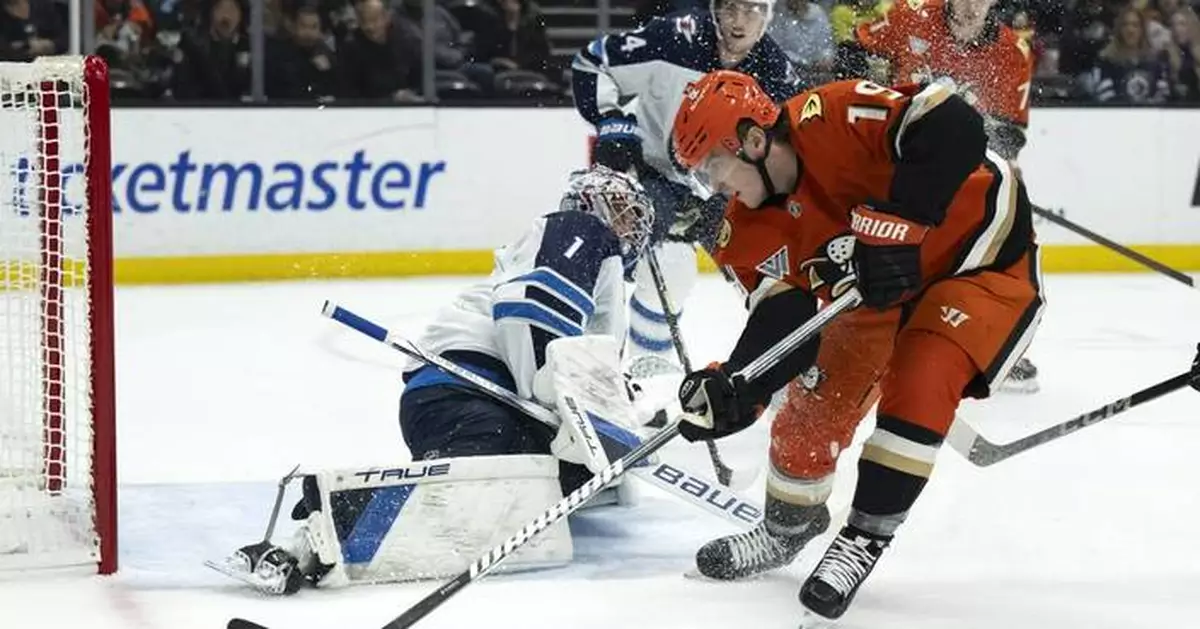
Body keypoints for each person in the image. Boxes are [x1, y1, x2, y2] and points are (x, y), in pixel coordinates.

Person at [670, 70, 1042, 622]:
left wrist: (902, 224)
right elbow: (785, 328)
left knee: (920, 381)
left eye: (712, 168)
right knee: (809, 409)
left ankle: (863, 538)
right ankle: (787, 528)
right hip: (877, 296)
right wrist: (738, 386)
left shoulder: (834, 113)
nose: (713, 187)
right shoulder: (743, 231)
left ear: (750, 140)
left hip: (978, 262)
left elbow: (956, 125)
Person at [216, 165, 656, 595]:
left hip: (470, 400)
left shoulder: (601, 274)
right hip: (468, 390)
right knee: (477, 489)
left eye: (633, 216)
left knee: (541, 488)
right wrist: (559, 402)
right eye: (620, 209)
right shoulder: (581, 231)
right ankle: (322, 527)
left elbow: (586, 370)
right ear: (586, 203)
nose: (629, 225)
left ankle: (347, 515)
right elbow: (530, 308)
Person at [571, 0, 801, 366]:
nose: (739, 23)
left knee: (768, 275)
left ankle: (785, 370)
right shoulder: (673, 37)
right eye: (731, 9)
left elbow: (791, 147)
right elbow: (592, 62)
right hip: (652, 172)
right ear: (714, 8)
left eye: (753, 10)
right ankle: (644, 366)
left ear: (769, 15)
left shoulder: (776, 72)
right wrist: (612, 122)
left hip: (724, 187)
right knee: (667, 264)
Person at [853, 0, 1041, 391]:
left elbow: (1010, 134)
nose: (972, 5)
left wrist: (976, 154)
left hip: (960, 174)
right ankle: (851, 339)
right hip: (891, 160)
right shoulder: (908, 14)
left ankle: (984, 338)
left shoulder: (1013, 52)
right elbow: (853, 53)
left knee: (1001, 237)